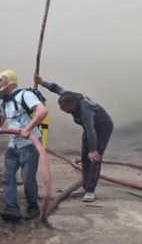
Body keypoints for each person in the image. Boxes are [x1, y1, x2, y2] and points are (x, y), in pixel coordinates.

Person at [0, 69, 49, 222]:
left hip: (30, 143)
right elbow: (0, 123)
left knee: (28, 178)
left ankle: (33, 207)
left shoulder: (25, 95)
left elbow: (42, 112)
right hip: (14, 144)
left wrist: (27, 129)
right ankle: (12, 209)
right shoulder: (5, 102)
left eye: (0, 80)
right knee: (8, 177)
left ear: (9, 81)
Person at [34, 74, 114, 202]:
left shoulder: (85, 110)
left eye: (64, 108)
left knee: (94, 158)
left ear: (72, 105)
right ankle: (85, 185)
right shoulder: (68, 96)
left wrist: (93, 150)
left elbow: (90, 130)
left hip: (102, 128)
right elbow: (56, 88)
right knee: (84, 156)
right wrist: (42, 82)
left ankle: (90, 191)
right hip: (90, 130)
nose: (62, 110)